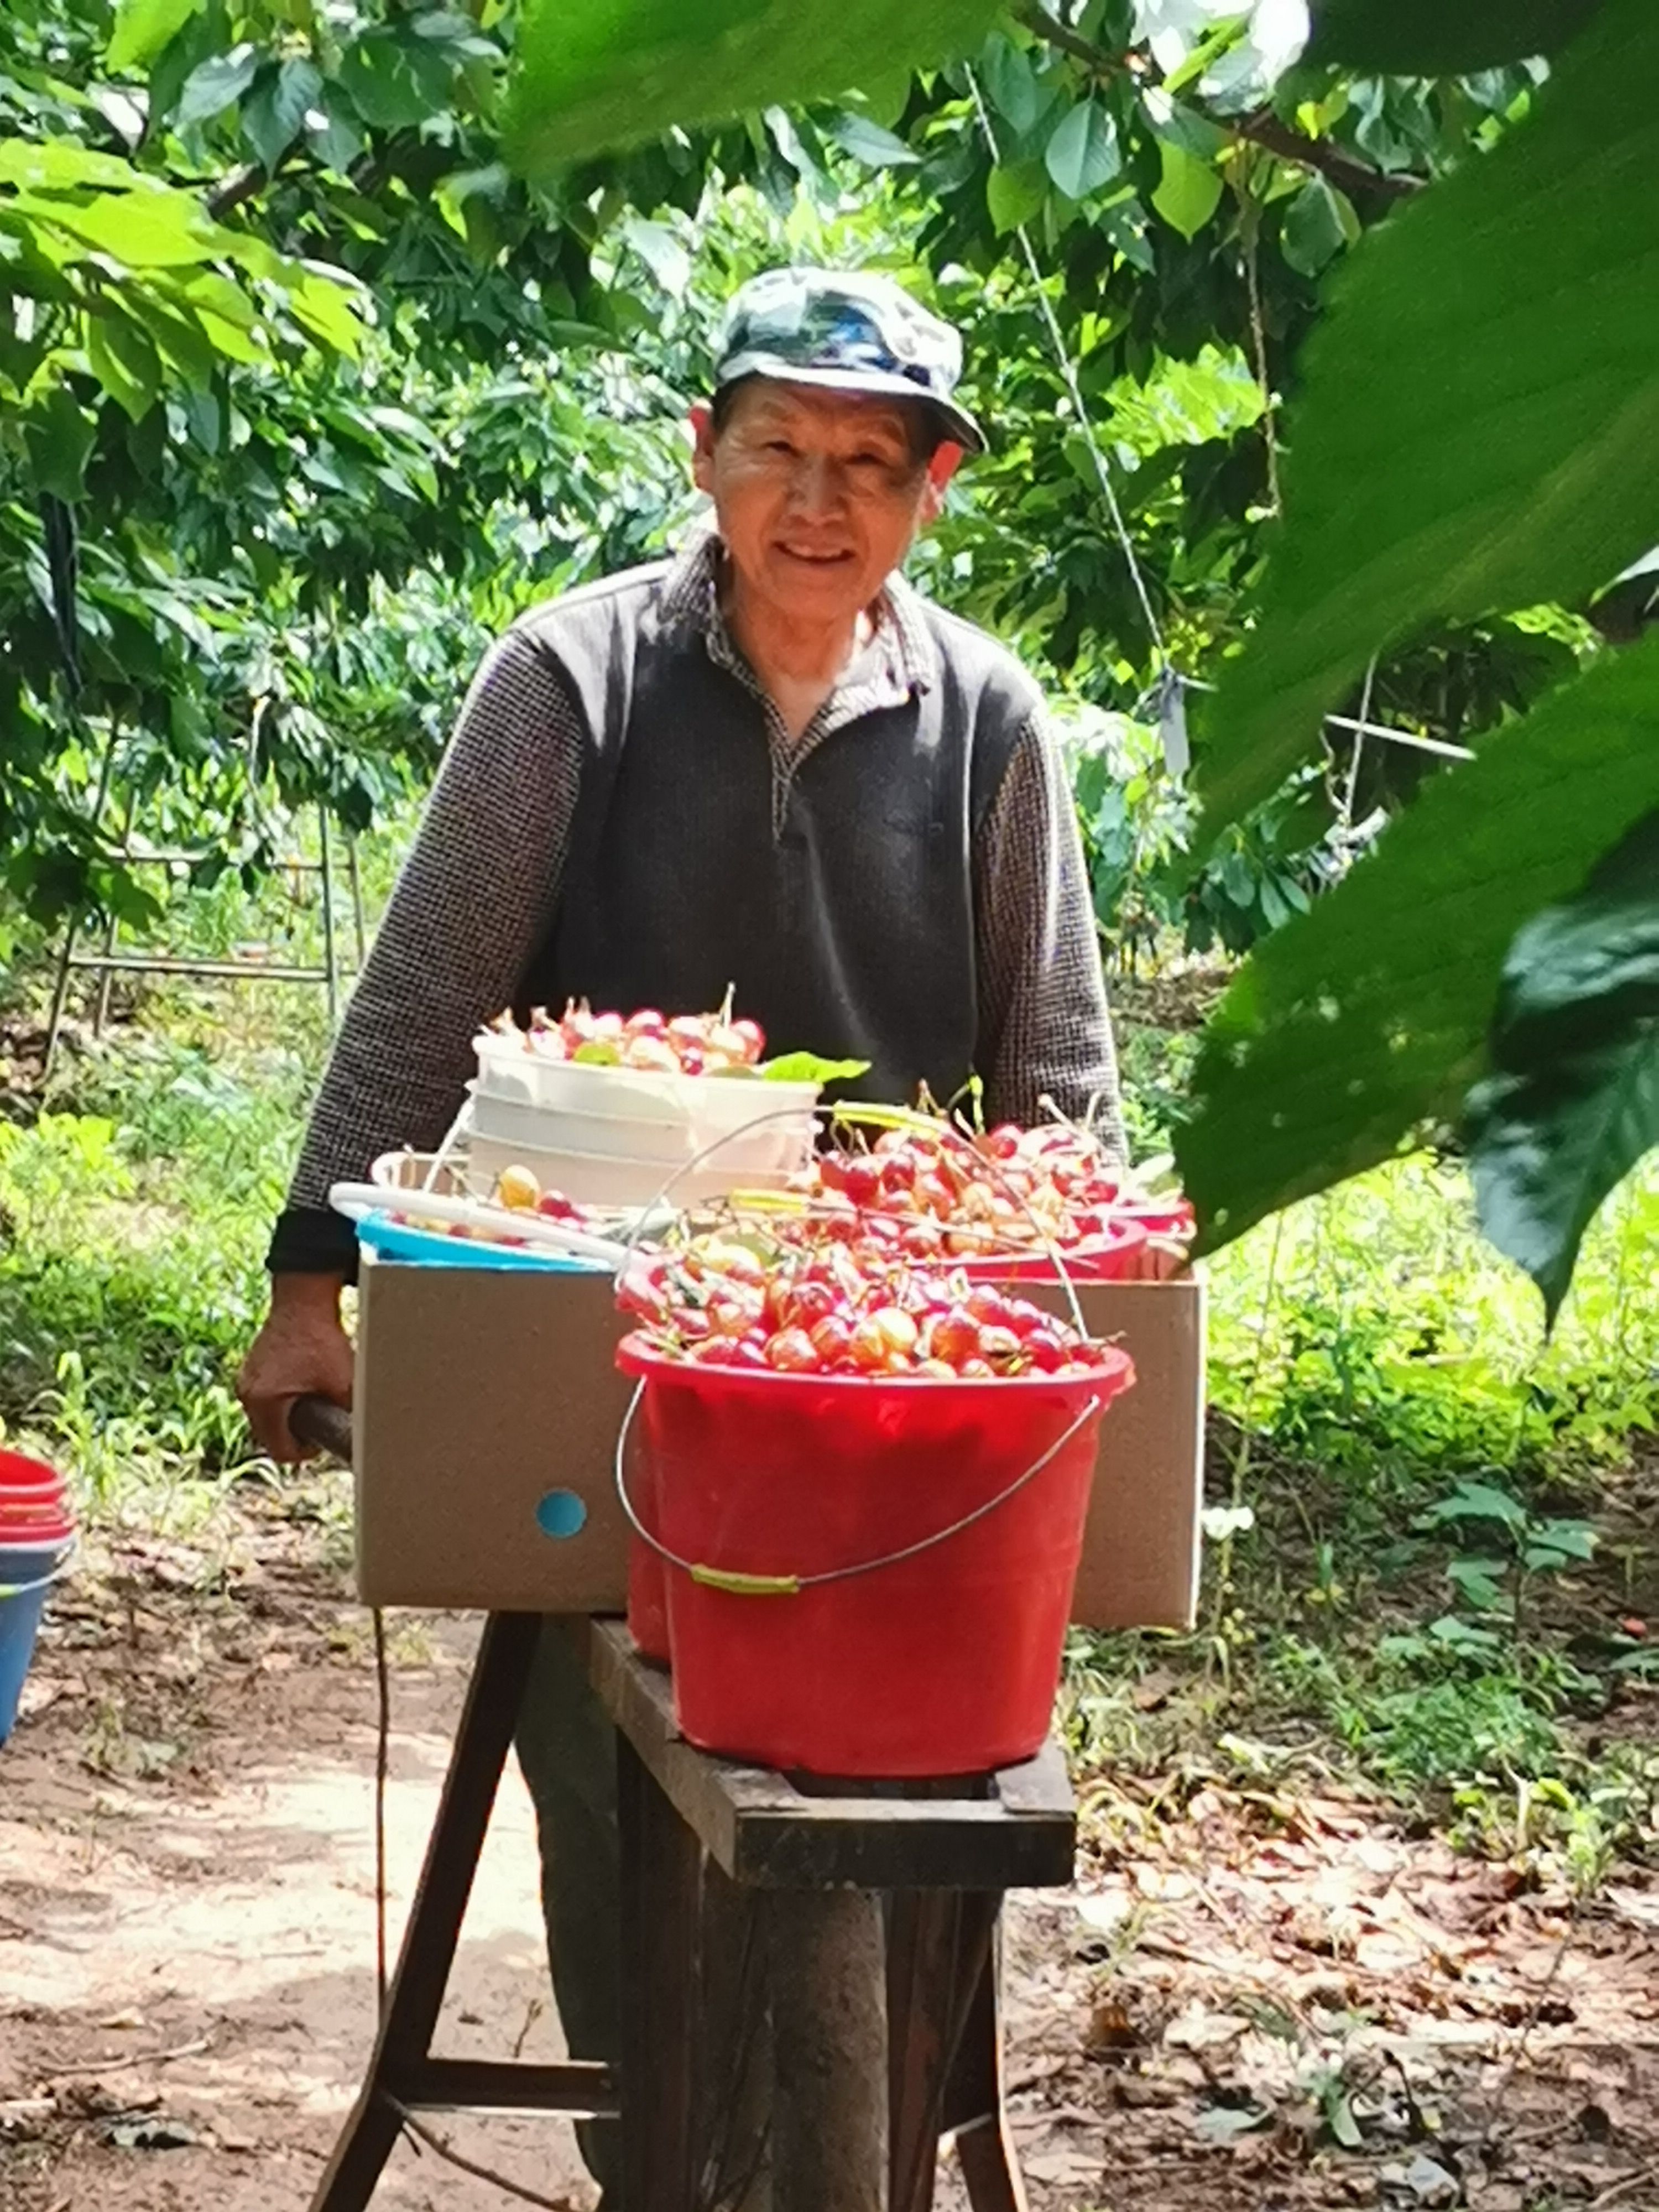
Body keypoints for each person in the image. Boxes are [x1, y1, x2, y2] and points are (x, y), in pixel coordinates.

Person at [238, 264, 1123, 2204]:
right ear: (704, 456)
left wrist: (1084, 1344)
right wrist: (314, 1284)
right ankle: (661, 2167)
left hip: (882, 1364)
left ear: (932, 491)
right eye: (779, 449)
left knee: (913, 1810)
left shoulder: (987, 721)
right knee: (614, 1782)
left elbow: (1056, 1068)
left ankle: (865, 2158)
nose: (820, 500)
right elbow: (423, 995)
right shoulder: (573, 678)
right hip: (600, 1345)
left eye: (869, 464)